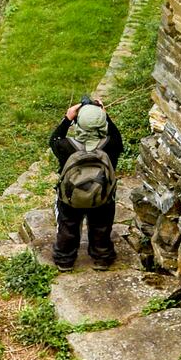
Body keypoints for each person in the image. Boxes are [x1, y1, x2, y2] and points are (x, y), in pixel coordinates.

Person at [52, 96, 125, 270]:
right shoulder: (111, 144)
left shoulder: (66, 146)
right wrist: (104, 115)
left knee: (67, 225)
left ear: (78, 124)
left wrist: (67, 118)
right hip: (102, 197)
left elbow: (53, 140)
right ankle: (102, 257)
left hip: (71, 197)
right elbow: (117, 136)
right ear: (103, 124)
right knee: (101, 226)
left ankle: (65, 260)